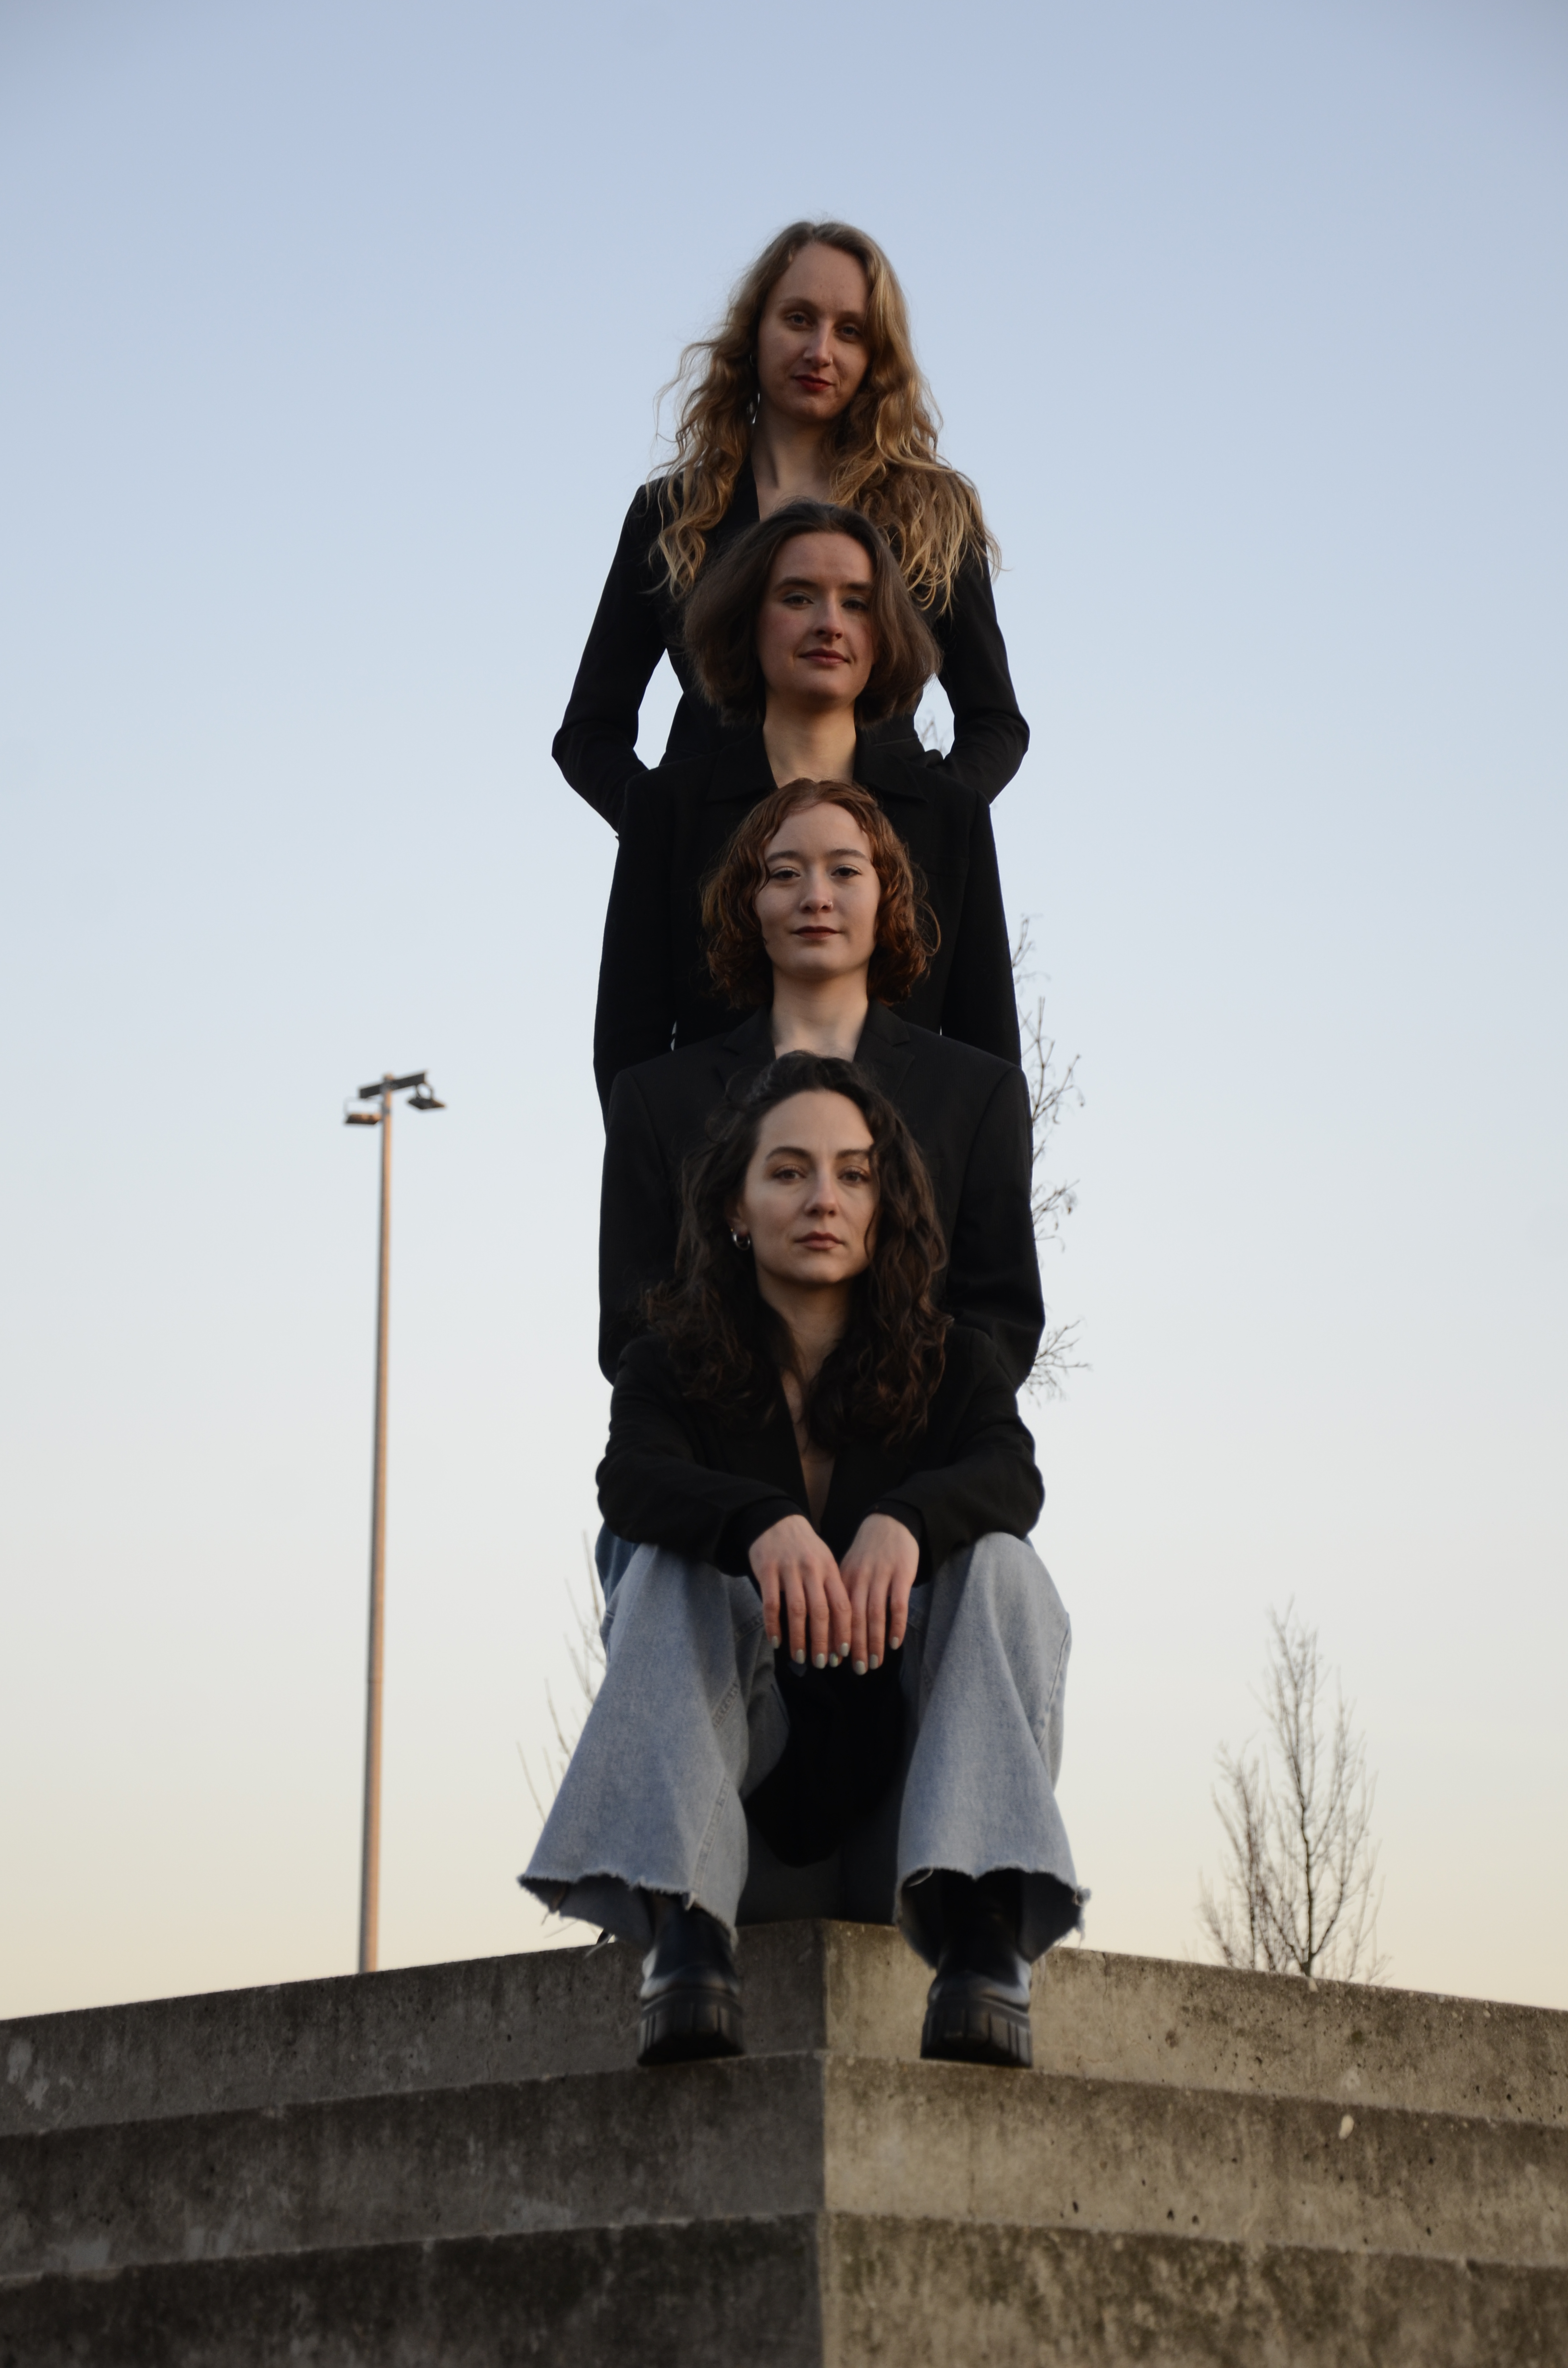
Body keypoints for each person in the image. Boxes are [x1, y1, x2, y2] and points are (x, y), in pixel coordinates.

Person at [522, 1057, 1082, 2068]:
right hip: (737, 1842)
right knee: (661, 1557)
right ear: (737, 1205)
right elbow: (630, 1483)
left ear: (884, 1206)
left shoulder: (951, 1363)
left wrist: (908, 1519)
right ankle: (683, 1933)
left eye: (855, 1175)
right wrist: (761, 1521)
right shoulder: (670, 1364)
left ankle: (986, 1932)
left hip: (915, 1843)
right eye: (788, 1172)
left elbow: (1014, 1477)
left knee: (1002, 1563)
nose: (823, 1197)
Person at [555, 220, 1028, 831]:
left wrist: (918, 830)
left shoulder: (932, 511)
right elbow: (590, 731)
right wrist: (663, 830)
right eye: (799, 319)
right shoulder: (670, 514)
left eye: (850, 331)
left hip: (881, 888)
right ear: (755, 329)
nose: (820, 351)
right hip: (705, 882)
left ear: (875, 354)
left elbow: (996, 723)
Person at [599, 777, 1043, 1394]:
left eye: (845, 871)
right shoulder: (653, 1099)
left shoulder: (979, 1093)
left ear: (888, 895)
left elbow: (1000, 1320)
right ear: (746, 902)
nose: (815, 896)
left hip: (918, 1464)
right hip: (719, 1465)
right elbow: (632, 1326)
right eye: (783, 873)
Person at [594, 499, 1019, 1100]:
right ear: (749, 619)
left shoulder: (951, 816)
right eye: (798, 598)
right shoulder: (667, 811)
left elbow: (992, 1065)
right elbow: (626, 1058)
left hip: (915, 1186)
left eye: (856, 602)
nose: (830, 623)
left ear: (884, 630)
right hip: (713, 1181)